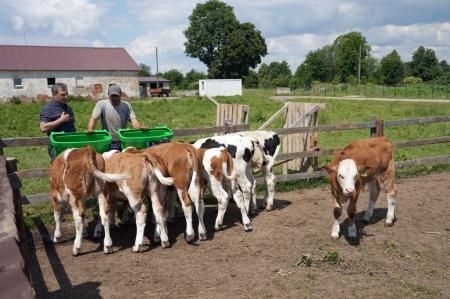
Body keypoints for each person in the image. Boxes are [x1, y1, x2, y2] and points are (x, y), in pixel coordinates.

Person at [87, 84, 144, 150]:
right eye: (112, 96)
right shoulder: (102, 104)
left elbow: (133, 120)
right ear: (108, 95)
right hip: (109, 139)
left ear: (120, 95)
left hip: (123, 138)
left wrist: (139, 128)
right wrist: (90, 129)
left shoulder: (126, 105)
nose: (115, 98)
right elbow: (94, 118)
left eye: (116, 96)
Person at [40, 83, 75, 160]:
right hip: (57, 147)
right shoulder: (48, 109)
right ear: (54, 95)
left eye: (67, 94)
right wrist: (61, 120)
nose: (66, 97)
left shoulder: (68, 108)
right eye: (62, 95)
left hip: (71, 145)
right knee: (60, 170)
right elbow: (43, 128)